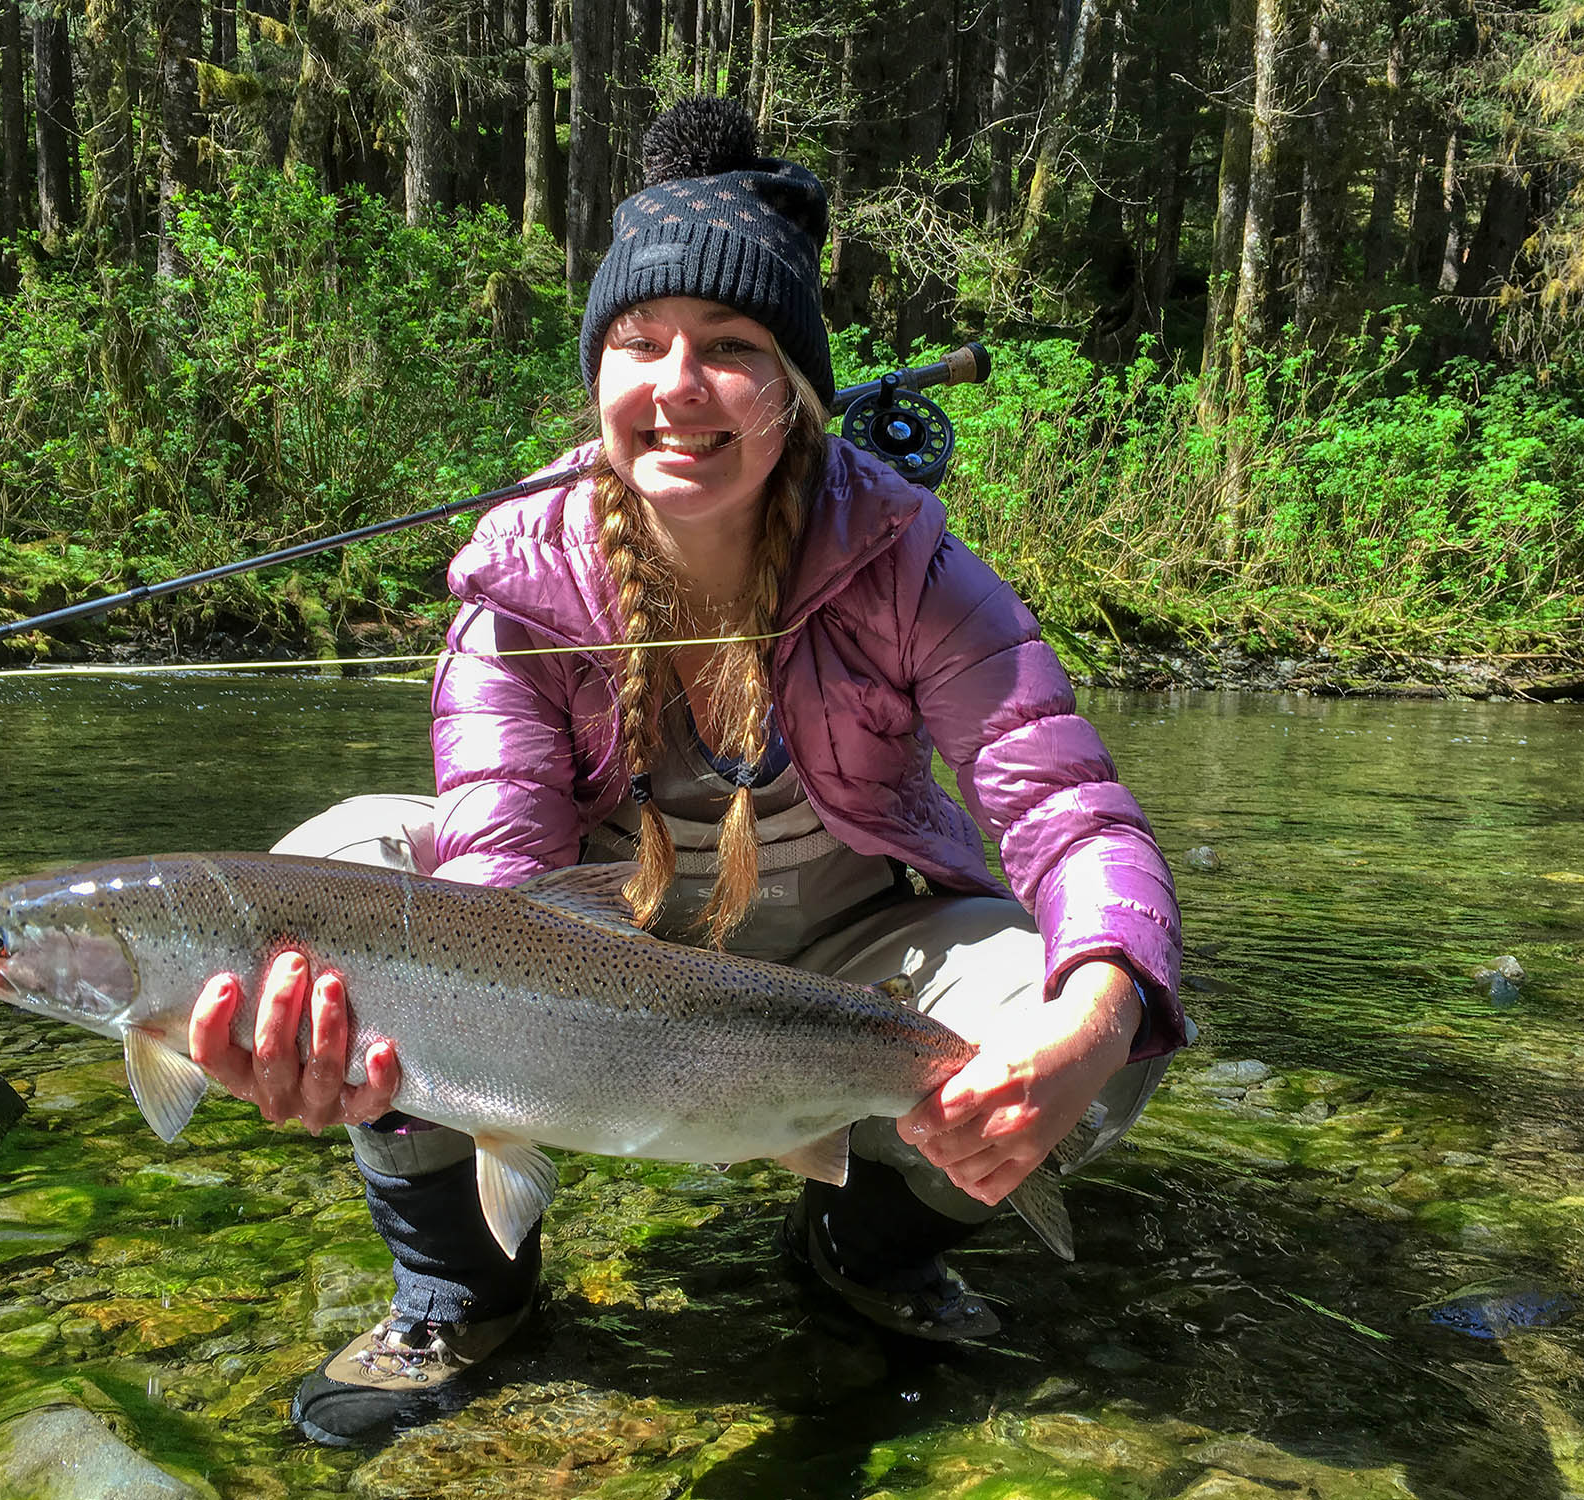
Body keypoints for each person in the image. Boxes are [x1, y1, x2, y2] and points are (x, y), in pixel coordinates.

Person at [185, 96, 1187, 1451]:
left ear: (796, 393)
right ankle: (462, 1292)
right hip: (598, 948)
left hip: (852, 942)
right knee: (342, 867)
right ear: (596, 374)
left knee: (1094, 1013)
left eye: (731, 348)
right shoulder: (518, 589)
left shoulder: (914, 567)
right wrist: (396, 1041)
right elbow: (492, 872)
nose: (677, 383)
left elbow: (1072, 816)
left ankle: (863, 1241)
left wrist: (1106, 1011)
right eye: (638, 343)